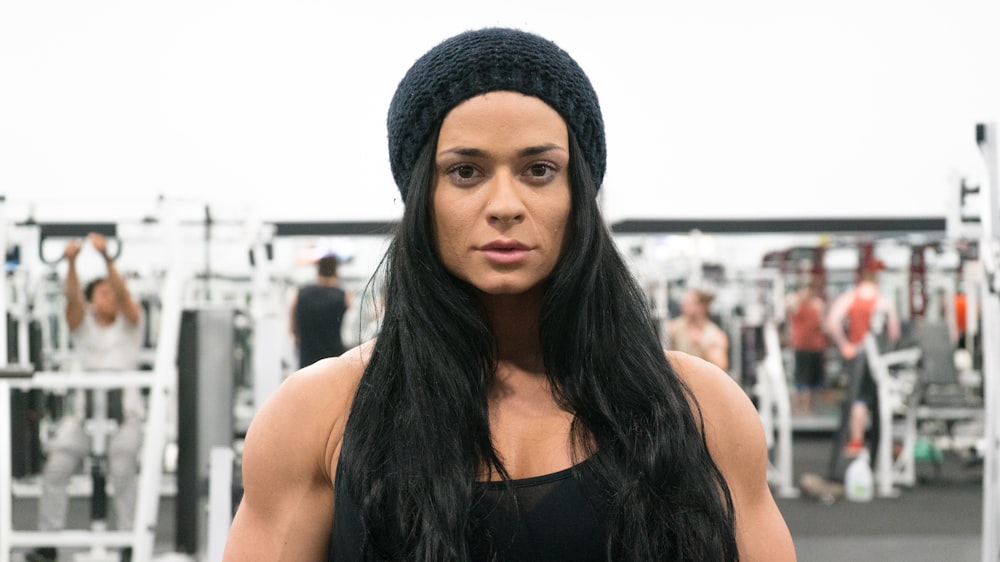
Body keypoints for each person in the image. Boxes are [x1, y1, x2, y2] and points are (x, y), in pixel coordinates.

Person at [223, 28, 794, 561]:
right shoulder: (316, 415)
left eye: (539, 169)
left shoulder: (702, 410)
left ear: (580, 194)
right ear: (423, 195)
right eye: (466, 172)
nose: (504, 204)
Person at [28, 233, 144, 562]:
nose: (111, 297)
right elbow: (72, 301)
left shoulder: (130, 325)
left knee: (123, 468)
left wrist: (108, 259)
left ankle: (127, 544)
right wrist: (72, 262)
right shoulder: (83, 327)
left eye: (112, 291)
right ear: (93, 300)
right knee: (56, 467)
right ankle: (48, 542)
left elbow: (125, 297)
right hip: (84, 415)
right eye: (103, 292)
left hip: (125, 414)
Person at [825, 264, 900, 459]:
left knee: (858, 400)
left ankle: (857, 441)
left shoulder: (850, 297)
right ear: (876, 280)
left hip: (857, 356)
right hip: (877, 360)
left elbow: (832, 322)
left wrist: (845, 345)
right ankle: (880, 446)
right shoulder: (884, 301)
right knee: (879, 401)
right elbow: (894, 333)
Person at [289, 254, 353, 368]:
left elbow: (292, 330)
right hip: (334, 361)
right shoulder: (344, 296)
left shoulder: (300, 295)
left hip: (307, 361)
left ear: (317, 272)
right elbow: (351, 330)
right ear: (336, 272)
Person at [785, 278, 828, 416]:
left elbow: (824, 323)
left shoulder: (818, 304)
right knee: (802, 381)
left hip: (817, 347)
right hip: (802, 347)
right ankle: (802, 410)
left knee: (816, 382)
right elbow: (786, 306)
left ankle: (813, 411)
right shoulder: (795, 301)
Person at [667, 288, 730, 371]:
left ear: (702, 307)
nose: (684, 306)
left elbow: (721, 367)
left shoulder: (715, 335)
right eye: (684, 303)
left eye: (690, 303)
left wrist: (703, 347)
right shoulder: (674, 327)